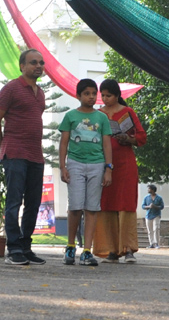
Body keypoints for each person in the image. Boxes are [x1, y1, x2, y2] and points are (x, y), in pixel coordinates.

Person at [0, 48, 48, 267]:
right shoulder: (11, 88)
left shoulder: (40, 93)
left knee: (33, 203)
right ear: (22, 66)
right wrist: (4, 146)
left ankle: (25, 246)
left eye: (41, 62)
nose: (38, 66)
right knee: (14, 202)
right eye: (33, 62)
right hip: (15, 153)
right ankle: (13, 248)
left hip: (36, 155)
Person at [59, 77, 113, 267]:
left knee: (91, 208)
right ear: (78, 95)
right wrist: (63, 167)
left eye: (93, 94)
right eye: (86, 94)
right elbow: (64, 143)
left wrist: (108, 168)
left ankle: (87, 251)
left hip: (97, 165)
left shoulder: (102, 118)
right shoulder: (70, 116)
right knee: (75, 207)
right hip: (75, 164)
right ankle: (70, 246)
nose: (91, 97)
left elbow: (107, 143)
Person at [94, 79, 146, 263]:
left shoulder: (128, 112)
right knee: (106, 204)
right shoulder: (98, 114)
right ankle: (111, 250)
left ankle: (128, 249)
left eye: (109, 95)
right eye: (103, 95)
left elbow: (141, 136)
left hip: (125, 164)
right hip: (104, 164)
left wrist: (128, 138)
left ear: (117, 95)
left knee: (125, 205)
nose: (105, 99)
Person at [142, 185, 164, 249]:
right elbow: (143, 206)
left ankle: (156, 243)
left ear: (152, 189)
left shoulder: (159, 198)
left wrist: (155, 206)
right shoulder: (146, 198)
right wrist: (148, 206)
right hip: (148, 215)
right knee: (149, 230)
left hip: (156, 215)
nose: (148, 190)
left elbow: (162, 206)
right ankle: (151, 243)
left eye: (149, 189)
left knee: (156, 228)